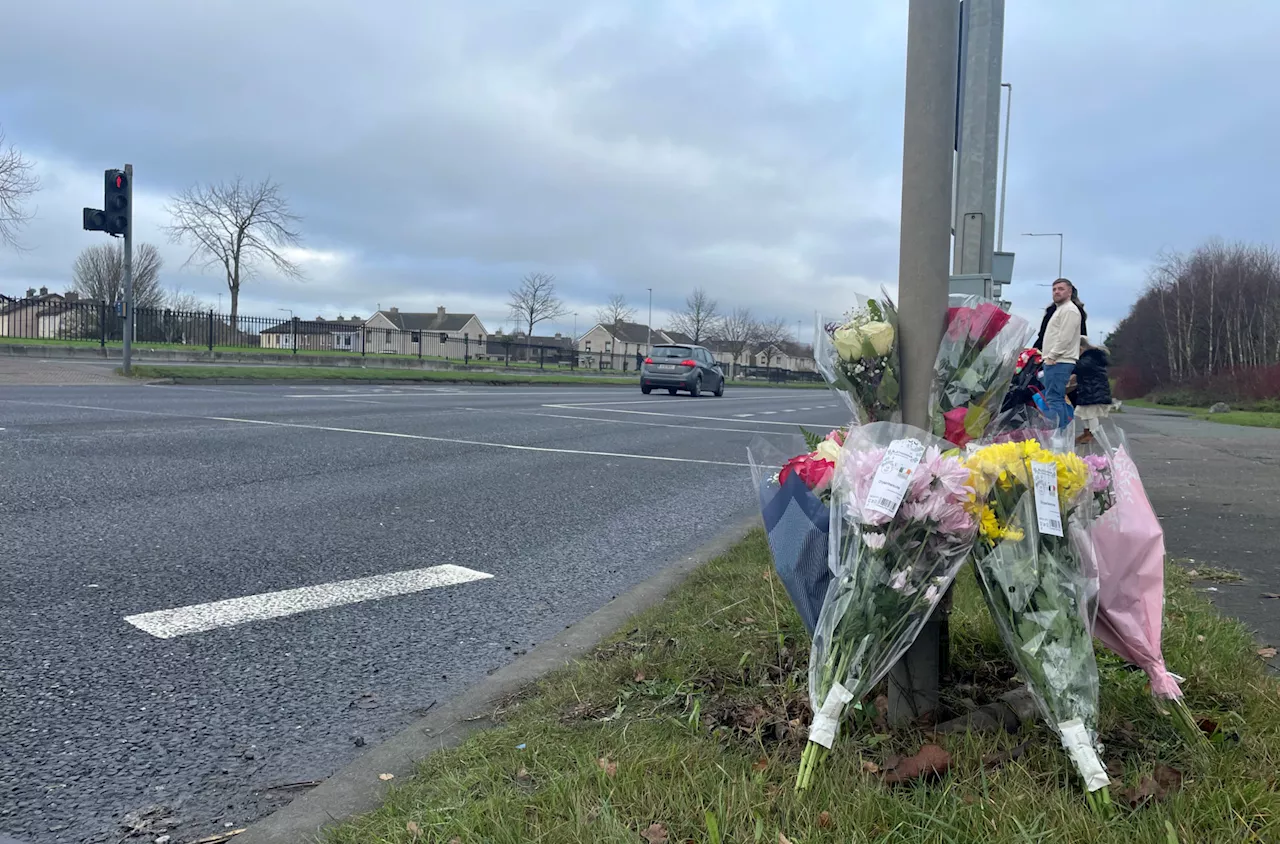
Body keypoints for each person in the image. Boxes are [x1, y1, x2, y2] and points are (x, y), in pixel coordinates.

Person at [1041, 278, 1082, 428]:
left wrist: (1052, 356)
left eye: (1061, 289)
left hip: (1059, 361)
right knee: (1056, 398)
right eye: (1054, 289)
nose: (1057, 292)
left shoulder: (1069, 310)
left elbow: (1065, 337)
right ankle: (1063, 434)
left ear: (1070, 291)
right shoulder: (1062, 310)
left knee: (1054, 399)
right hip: (1057, 360)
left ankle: (1057, 436)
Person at [1067, 337, 1113, 442]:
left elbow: (1078, 368)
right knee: (1084, 413)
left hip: (1094, 391)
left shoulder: (1089, 359)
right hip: (1089, 390)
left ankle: (1093, 433)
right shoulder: (1092, 357)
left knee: (1091, 414)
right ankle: (1087, 432)